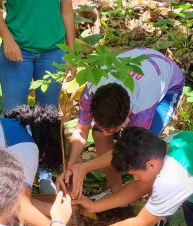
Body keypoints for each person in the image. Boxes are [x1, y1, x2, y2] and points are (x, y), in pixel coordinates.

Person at [57, 47, 185, 201]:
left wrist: (84, 168)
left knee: (145, 153)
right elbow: (82, 130)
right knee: (98, 135)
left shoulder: (142, 106)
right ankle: (117, 193)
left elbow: (130, 148)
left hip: (166, 81)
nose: (106, 132)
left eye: (113, 129)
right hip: (138, 64)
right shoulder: (90, 91)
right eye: (103, 126)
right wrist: (70, 167)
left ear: (128, 115)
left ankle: (153, 203)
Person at [0, 0, 75, 195]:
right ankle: (12, 175)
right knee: (13, 115)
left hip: (54, 51)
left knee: (48, 115)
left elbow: (67, 11)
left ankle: (45, 174)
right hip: (17, 49)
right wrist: (7, 39)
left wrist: (71, 53)